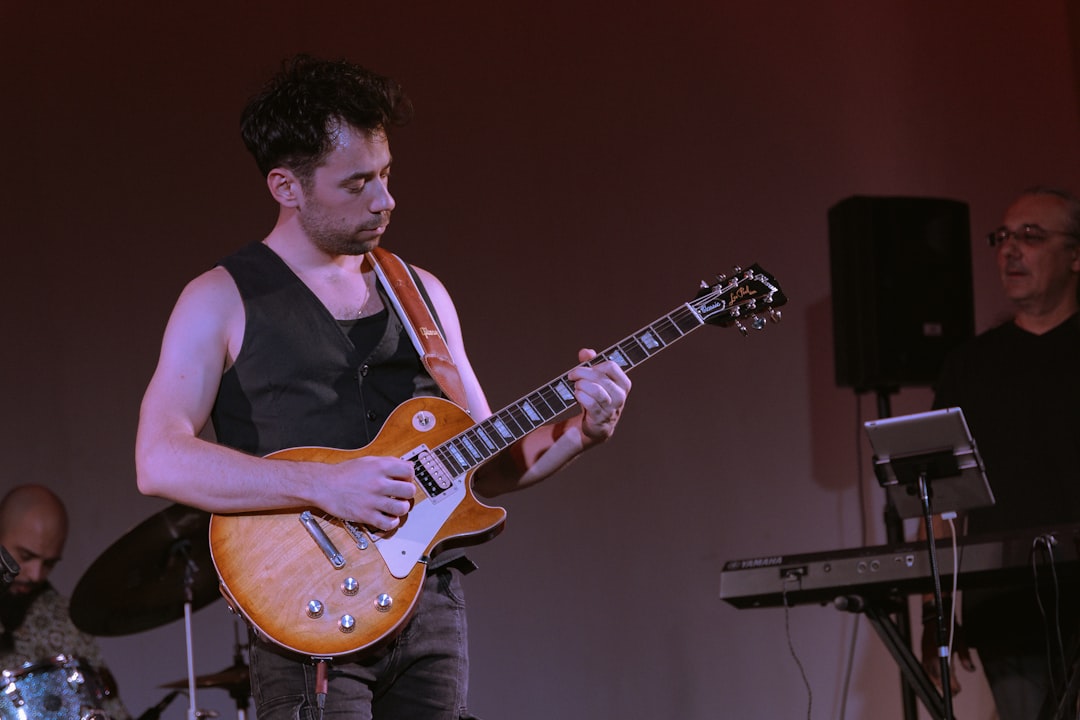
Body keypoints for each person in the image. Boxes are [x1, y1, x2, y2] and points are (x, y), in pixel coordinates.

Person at [134, 54, 632, 720]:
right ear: (287, 186)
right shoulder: (219, 298)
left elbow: (486, 466)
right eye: (358, 183)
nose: (385, 200)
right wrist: (326, 485)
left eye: (387, 175)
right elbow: (158, 459)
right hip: (305, 614)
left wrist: (579, 434)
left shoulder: (421, 294)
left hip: (430, 606)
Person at [920, 186, 1080, 720]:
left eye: (1031, 236)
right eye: (1003, 237)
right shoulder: (969, 366)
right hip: (1006, 605)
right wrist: (934, 619)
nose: (1010, 250)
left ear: (1076, 255)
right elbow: (937, 503)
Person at [0, 484, 131, 720]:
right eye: (26, 556)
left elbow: (109, 709)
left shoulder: (66, 620)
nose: (36, 574)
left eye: (49, 563)